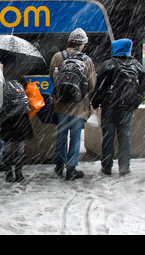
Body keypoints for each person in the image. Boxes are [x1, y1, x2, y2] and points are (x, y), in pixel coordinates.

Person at [91, 38, 145, 175]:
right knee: (125, 137)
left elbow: (98, 86)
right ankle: (124, 166)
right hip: (127, 108)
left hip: (109, 108)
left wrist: (96, 103)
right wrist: (134, 105)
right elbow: (142, 88)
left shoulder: (108, 64)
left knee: (108, 137)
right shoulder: (137, 65)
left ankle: (107, 166)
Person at [50, 28, 96, 180]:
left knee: (61, 135)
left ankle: (58, 165)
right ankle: (71, 168)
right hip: (78, 106)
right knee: (75, 137)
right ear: (82, 45)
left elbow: (53, 77)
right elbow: (91, 85)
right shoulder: (86, 60)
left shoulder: (58, 56)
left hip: (61, 103)